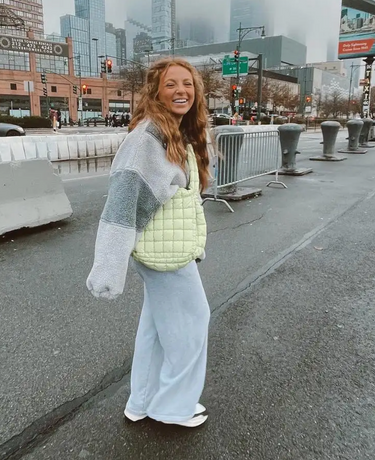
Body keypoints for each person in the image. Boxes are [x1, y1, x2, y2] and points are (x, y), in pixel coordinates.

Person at [86, 57, 211, 428]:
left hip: (169, 247)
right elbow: (120, 205)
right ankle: (173, 407)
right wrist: (108, 267)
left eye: (187, 84)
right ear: (156, 90)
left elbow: (187, 200)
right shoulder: (147, 137)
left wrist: (196, 241)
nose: (181, 91)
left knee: (156, 328)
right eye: (171, 84)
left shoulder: (177, 130)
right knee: (192, 323)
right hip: (164, 254)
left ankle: (141, 402)